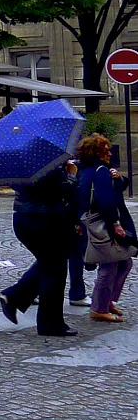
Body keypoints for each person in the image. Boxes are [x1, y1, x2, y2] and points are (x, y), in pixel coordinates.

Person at [1, 160, 81, 337]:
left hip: (23, 216)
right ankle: (49, 323)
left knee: (49, 263)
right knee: (55, 268)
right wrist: (72, 174)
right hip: (45, 218)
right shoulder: (47, 163)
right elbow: (65, 191)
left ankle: (14, 297)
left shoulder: (19, 161)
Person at [76, 134, 135, 324]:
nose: (110, 153)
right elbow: (106, 200)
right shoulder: (101, 170)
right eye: (106, 150)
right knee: (110, 264)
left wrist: (118, 178)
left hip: (92, 222)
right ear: (97, 152)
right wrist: (116, 224)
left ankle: (106, 300)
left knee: (123, 262)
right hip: (104, 223)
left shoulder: (85, 170)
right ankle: (99, 307)